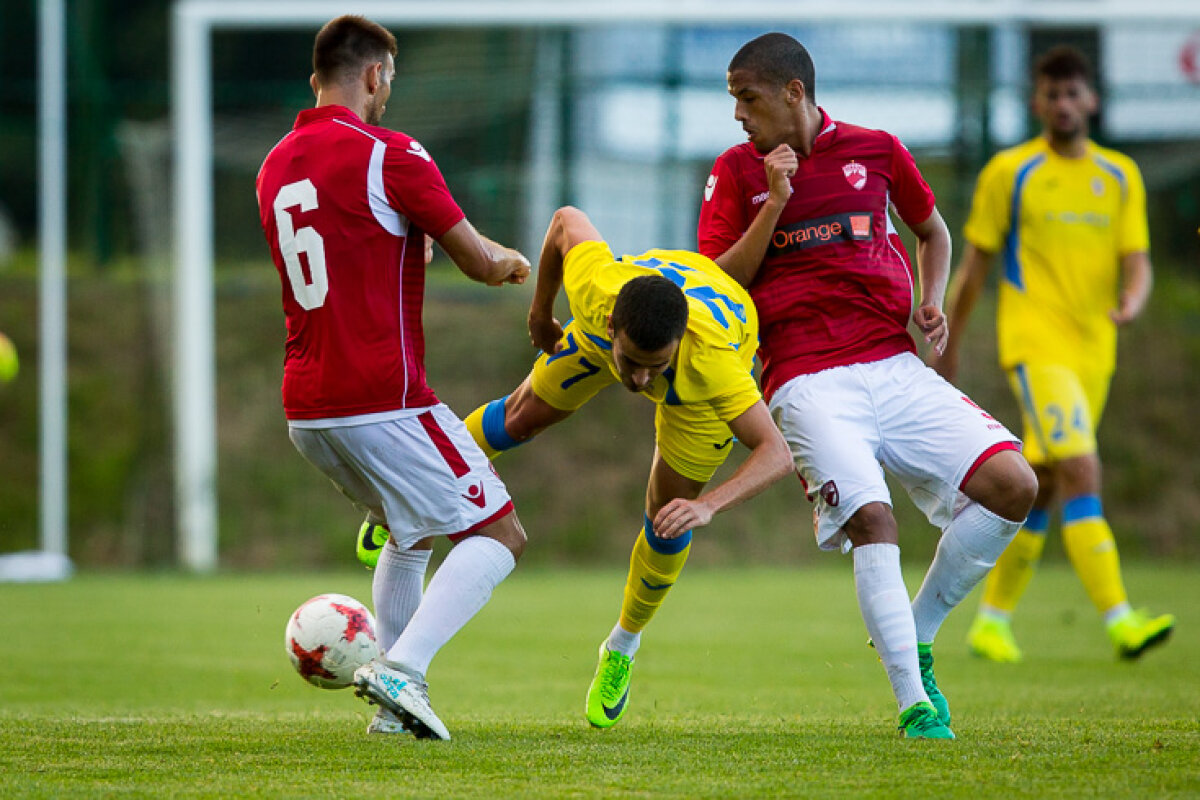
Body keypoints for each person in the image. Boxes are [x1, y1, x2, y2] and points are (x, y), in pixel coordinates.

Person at [698, 32, 1038, 740]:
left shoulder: (876, 149)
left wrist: (930, 297)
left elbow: (934, 232)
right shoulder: (736, 172)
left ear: (794, 93)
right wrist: (774, 202)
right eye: (734, 100)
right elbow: (718, 280)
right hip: (804, 379)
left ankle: (915, 629)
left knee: (1014, 484)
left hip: (893, 363)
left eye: (747, 98)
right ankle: (915, 705)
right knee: (873, 518)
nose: (738, 115)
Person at [255, 15, 532, 741]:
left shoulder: (275, 164)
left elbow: (352, 254)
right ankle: (403, 669)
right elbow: (476, 260)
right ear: (374, 75)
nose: (388, 96)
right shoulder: (393, 153)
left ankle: (390, 715)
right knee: (499, 533)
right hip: (382, 396)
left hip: (306, 408)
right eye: (389, 83)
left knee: (410, 535)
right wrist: (511, 260)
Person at [456, 204, 793, 729]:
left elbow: (777, 453)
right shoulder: (596, 294)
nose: (639, 381)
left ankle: (621, 647)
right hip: (619, 323)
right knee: (520, 417)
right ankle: (401, 500)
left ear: (676, 346)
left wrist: (708, 507)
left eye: (653, 367)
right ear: (612, 325)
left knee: (667, 519)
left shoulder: (713, 367)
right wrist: (540, 312)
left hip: (699, 392)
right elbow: (565, 221)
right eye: (633, 363)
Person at [932, 45, 1174, 663]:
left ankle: (992, 621)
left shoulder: (1119, 174)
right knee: (1082, 469)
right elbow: (975, 269)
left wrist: (1134, 300)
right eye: (1051, 93)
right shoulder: (1010, 173)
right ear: (1036, 101)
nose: (1063, 104)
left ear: (1091, 100)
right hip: (1036, 344)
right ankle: (1121, 620)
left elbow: (1137, 260)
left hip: (1097, 349)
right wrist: (950, 345)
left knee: (1040, 485)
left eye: (1074, 93)